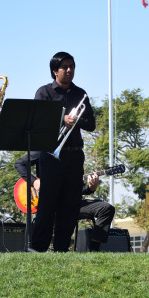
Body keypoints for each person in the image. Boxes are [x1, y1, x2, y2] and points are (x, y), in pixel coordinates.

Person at [32, 51, 95, 252]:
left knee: (70, 204)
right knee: (47, 205)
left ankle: (62, 249)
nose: (69, 71)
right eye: (65, 67)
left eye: (72, 67)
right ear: (54, 71)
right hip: (51, 155)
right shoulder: (44, 93)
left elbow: (91, 124)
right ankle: (39, 248)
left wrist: (77, 120)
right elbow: (38, 120)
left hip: (75, 155)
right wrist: (62, 119)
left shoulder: (80, 93)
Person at [14, 151, 115, 252]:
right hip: (49, 203)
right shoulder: (44, 150)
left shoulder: (76, 154)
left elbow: (76, 188)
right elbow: (19, 164)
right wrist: (34, 181)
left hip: (70, 203)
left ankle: (94, 249)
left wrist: (91, 188)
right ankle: (39, 250)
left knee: (106, 208)